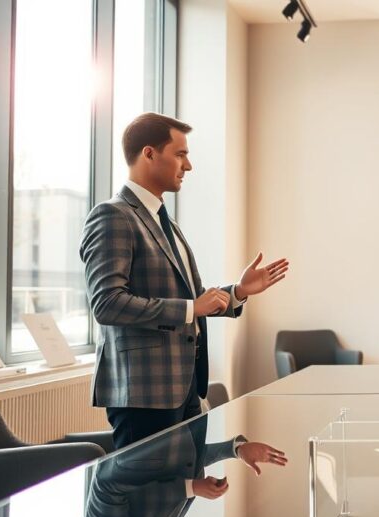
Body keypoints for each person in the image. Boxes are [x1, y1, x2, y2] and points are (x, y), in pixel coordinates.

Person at [80, 112, 289, 450]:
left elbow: (190, 299)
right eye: (180, 154)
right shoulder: (112, 217)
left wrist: (236, 292)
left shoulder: (167, 222)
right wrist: (192, 307)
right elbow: (107, 304)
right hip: (143, 395)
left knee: (178, 494)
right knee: (149, 499)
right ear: (149, 154)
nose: (188, 165)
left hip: (185, 387)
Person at [80, 415, 287, 517]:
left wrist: (190, 487)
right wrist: (235, 449)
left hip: (149, 414)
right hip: (184, 415)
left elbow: (107, 481)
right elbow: (182, 464)